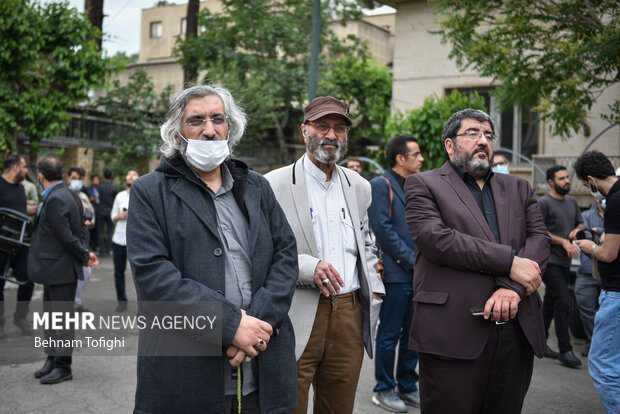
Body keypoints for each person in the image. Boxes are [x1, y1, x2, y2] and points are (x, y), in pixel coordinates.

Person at [126, 84, 298, 413]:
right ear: (177, 133)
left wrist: (253, 328)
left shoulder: (257, 187)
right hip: (185, 370)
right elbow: (156, 278)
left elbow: (285, 257)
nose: (209, 129)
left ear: (230, 127)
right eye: (196, 120)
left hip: (263, 365)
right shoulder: (150, 192)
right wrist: (231, 325)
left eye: (218, 118)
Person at [404, 108, 549, 413]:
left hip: (515, 329)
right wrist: (510, 262)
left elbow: (539, 239)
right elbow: (438, 240)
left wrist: (513, 287)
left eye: (488, 135)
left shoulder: (518, 187)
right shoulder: (424, 184)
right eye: (472, 133)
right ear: (449, 144)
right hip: (451, 332)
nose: (482, 140)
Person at [265, 96, 385, 414]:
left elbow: (367, 244)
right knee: (289, 404)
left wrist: (374, 288)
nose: (331, 135)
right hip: (297, 310)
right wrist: (308, 266)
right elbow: (261, 252)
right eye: (322, 126)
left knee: (338, 407)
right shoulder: (272, 185)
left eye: (340, 128)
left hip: (348, 313)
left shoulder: (359, 186)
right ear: (305, 131)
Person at [28, 156, 97, 385]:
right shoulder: (68, 194)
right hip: (54, 270)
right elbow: (80, 228)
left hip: (61, 269)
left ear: (41, 177)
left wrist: (85, 255)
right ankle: (52, 358)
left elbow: (67, 236)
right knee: (51, 318)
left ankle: (63, 366)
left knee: (62, 321)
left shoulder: (57, 198)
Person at [369, 135, 423, 412]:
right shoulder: (381, 184)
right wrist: (411, 260)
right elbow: (383, 229)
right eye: (416, 154)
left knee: (414, 335)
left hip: (418, 274)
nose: (421, 158)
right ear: (400, 158)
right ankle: (384, 388)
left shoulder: (416, 184)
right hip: (395, 273)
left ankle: (407, 384)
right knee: (389, 334)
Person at [573, 151, 620, 414]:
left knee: (602, 364)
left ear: (591, 180)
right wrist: (603, 234)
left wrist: (590, 247)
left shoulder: (615, 200)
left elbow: (608, 254)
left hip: (616, 295)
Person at [537, 165, 583, 367]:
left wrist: (576, 232)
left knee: (550, 302)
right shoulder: (543, 203)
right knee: (563, 300)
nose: (566, 181)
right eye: (561, 178)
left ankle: (539, 342)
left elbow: (580, 223)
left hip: (565, 262)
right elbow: (540, 231)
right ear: (550, 182)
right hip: (550, 261)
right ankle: (565, 349)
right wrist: (563, 241)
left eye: (567, 177)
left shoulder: (572, 202)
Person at [0, 154, 35, 338]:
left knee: (28, 279)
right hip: (2, 244)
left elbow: (20, 209)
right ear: (15, 168)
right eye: (24, 167)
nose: (26, 170)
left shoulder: (21, 188)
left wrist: (35, 209)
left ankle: (20, 317)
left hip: (21, 244)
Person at [575, 199, 603, 357]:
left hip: (610, 274)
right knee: (585, 305)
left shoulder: (615, 213)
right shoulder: (586, 215)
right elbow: (583, 234)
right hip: (588, 270)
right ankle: (593, 341)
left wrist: (597, 230)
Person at [67, 166, 96, 312]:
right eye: (73, 179)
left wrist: (90, 222)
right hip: (72, 241)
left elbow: (92, 214)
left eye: (79, 179)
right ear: (68, 179)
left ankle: (76, 302)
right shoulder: (65, 195)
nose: (76, 182)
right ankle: (70, 303)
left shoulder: (84, 197)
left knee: (86, 271)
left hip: (84, 239)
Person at [110, 168, 139, 312]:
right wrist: (119, 216)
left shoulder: (142, 195)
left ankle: (144, 303)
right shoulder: (119, 196)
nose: (130, 176)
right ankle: (122, 301)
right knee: (118, 272)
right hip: (119, 239)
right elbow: (112, 216)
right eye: (129, 174)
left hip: (136, 241)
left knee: (141, 273)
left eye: (134, 174)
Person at [96, 169, 117, 257]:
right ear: (111, 176)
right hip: (110, 211)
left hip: (100, 210)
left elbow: (98, 198)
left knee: (100, 231)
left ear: (103, 176)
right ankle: (108, 250)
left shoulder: (99, 186)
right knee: (109, 231)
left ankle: (102, 250)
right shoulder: (114, 187)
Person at [86, 174, 100, 252]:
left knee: (97, 229)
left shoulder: (100, 189)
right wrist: (90, 199)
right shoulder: (88, 189)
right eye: (94, 180)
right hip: (91, 211)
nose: (96, 181)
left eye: (97, 180)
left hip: (98, 211)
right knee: (90, 228)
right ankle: (90, 244)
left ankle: (96, 245)